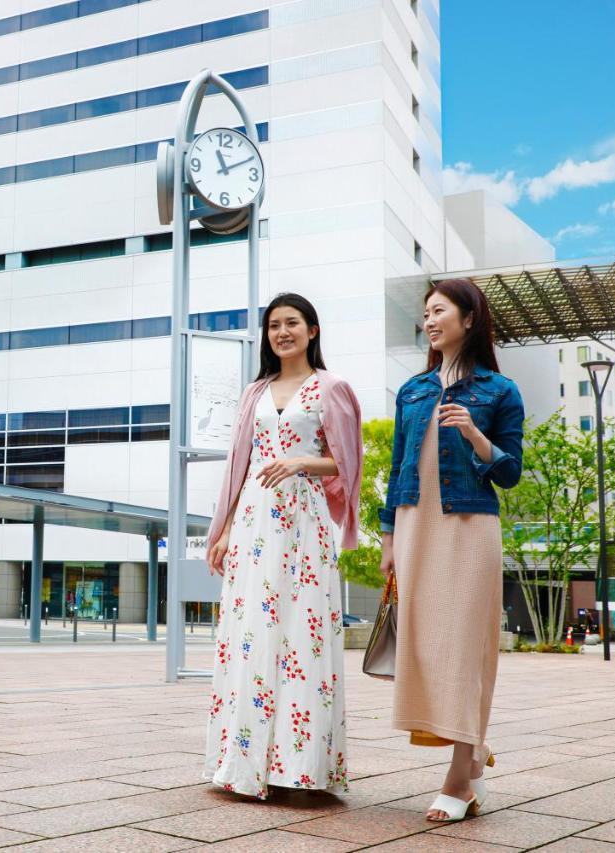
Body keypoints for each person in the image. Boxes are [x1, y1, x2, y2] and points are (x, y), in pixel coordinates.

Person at [203, 293, 364, 799]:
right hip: (253, 519)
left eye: (292, 323)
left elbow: (349, 461)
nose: (282, 332)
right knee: (250, 630)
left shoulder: (331, 387)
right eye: (274, 325)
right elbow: (238, 464)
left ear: (312, 330)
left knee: (301, 634)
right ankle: (242, 762)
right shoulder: (255, 392)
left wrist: (300, 462)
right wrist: (223, 529)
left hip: (304, 521)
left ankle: (300, 768)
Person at [378, 278, 524, 822]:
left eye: (439, 311)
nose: (430, 321)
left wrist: (476, 437)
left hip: (469, 526)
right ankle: (473, 757)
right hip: (416, 524)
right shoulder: (412, 391)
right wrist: (389, 538)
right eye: (426, 313)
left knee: (465, 647)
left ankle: (459, 779)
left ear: (469, 319)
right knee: (424, 645)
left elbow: (510, 471)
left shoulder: (499, 391)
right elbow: (397, 468)